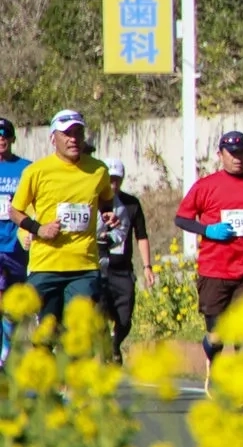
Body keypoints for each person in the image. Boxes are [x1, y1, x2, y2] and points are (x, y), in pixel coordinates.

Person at [174, 131, 243, 385]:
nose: (237, 158)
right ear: (220, 155)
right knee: (218, 335)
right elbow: (182, 218)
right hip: (215, 270)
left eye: (242, 153)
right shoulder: (206, 186)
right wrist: (207, 230)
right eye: (232, 153)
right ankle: (215, 363)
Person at [10, 110, 117, 322]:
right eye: (67, 134)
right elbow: (14, 211)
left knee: (79, 332)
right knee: (45, 336)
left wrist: (107, 214)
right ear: (53, 138)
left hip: (84, 267)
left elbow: (106, 198)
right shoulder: (37, 171)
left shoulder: (98, 170)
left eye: (78, 133)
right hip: (46, 266)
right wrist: (39, 229)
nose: (73, 139)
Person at [96, 159, 153, 365]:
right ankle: (105, 352)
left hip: (122, 270)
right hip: (99, 268)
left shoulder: (131, 204)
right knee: (99, 313)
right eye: (109, 180)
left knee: (125, 318)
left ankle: (114, 342)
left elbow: (142, 236)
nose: (112, 185)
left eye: (116, 180)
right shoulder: (94, 201)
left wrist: (147, 267)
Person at [0, 118, 31, 365]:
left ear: (12, 139)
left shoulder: (26, 169)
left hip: (17, 246)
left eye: (5, 134)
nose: (1, 139)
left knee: (14, 306)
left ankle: (8, 348)